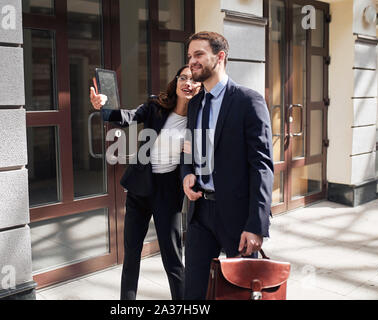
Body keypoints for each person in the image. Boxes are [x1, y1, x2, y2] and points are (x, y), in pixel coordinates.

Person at [90, 66, 201, 300]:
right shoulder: (155, 107)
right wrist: (105, 106)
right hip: (140, 189)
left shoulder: (198, 120)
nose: (188, 83)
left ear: (201, 87)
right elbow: (127, 117)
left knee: (172, 257)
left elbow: (199, 158)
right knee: (131, 254)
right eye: (183, 78)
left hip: (168, 193)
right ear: (176, 81)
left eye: (194, 80)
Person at [181, 31, 274, 300]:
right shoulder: (196, 103)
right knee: (193, 292)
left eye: (199, 55)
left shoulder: (248, 101)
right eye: (190, 56)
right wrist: (187, 174)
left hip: (238, 218)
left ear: (220, 57)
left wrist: (256, 225)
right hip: (200, 214)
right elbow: (189, 149)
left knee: (242, 293)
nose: (192, 62)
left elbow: (262, 165)